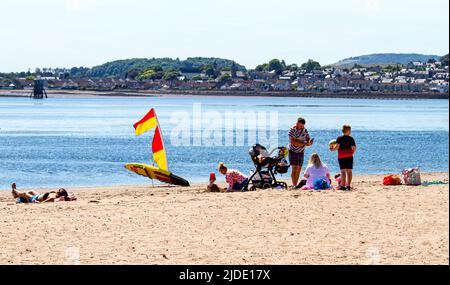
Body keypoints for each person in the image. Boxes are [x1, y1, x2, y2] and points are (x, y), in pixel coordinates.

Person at [288, 117, 314, 187]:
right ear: (296, 123)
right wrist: (304, 143)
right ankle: (294, 185)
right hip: (293, 151)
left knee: (299, 169)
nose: (301, 127)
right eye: (300, 126)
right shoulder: (292, 130)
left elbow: (307, 138)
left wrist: (309, 142)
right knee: (294, 168)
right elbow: (293, 142)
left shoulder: (304, 130)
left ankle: (295, 185)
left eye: (302, 126)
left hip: (301, 152)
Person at [330, 125, 357, 191]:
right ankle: (348, 186)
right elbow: (354, 148)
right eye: (350, 130)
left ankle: (342, 186)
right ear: (348, 131)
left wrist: (332, 149)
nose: (350, 132)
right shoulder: (351, 138)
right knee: (349, 171)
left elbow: (337, 147)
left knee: (343, 171)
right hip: (349, 156)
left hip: (341, 156)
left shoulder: (339, 138)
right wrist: (352, 153)